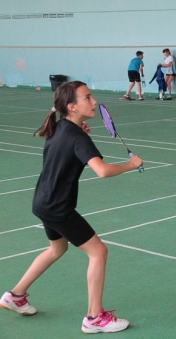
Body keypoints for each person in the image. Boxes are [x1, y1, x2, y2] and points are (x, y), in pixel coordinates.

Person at [0, 81, 142, 333]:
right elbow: (102, 171)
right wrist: (131, 165)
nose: (94, 101)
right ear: (72, 106)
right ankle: (94, 318)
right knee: (98, 252)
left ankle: (15, 296)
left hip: (42, 202)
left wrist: (81, 134)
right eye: (87, 98)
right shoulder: (78, 138)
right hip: (58, 208)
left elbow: (68, 148)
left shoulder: (60, 127)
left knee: (57, 248)